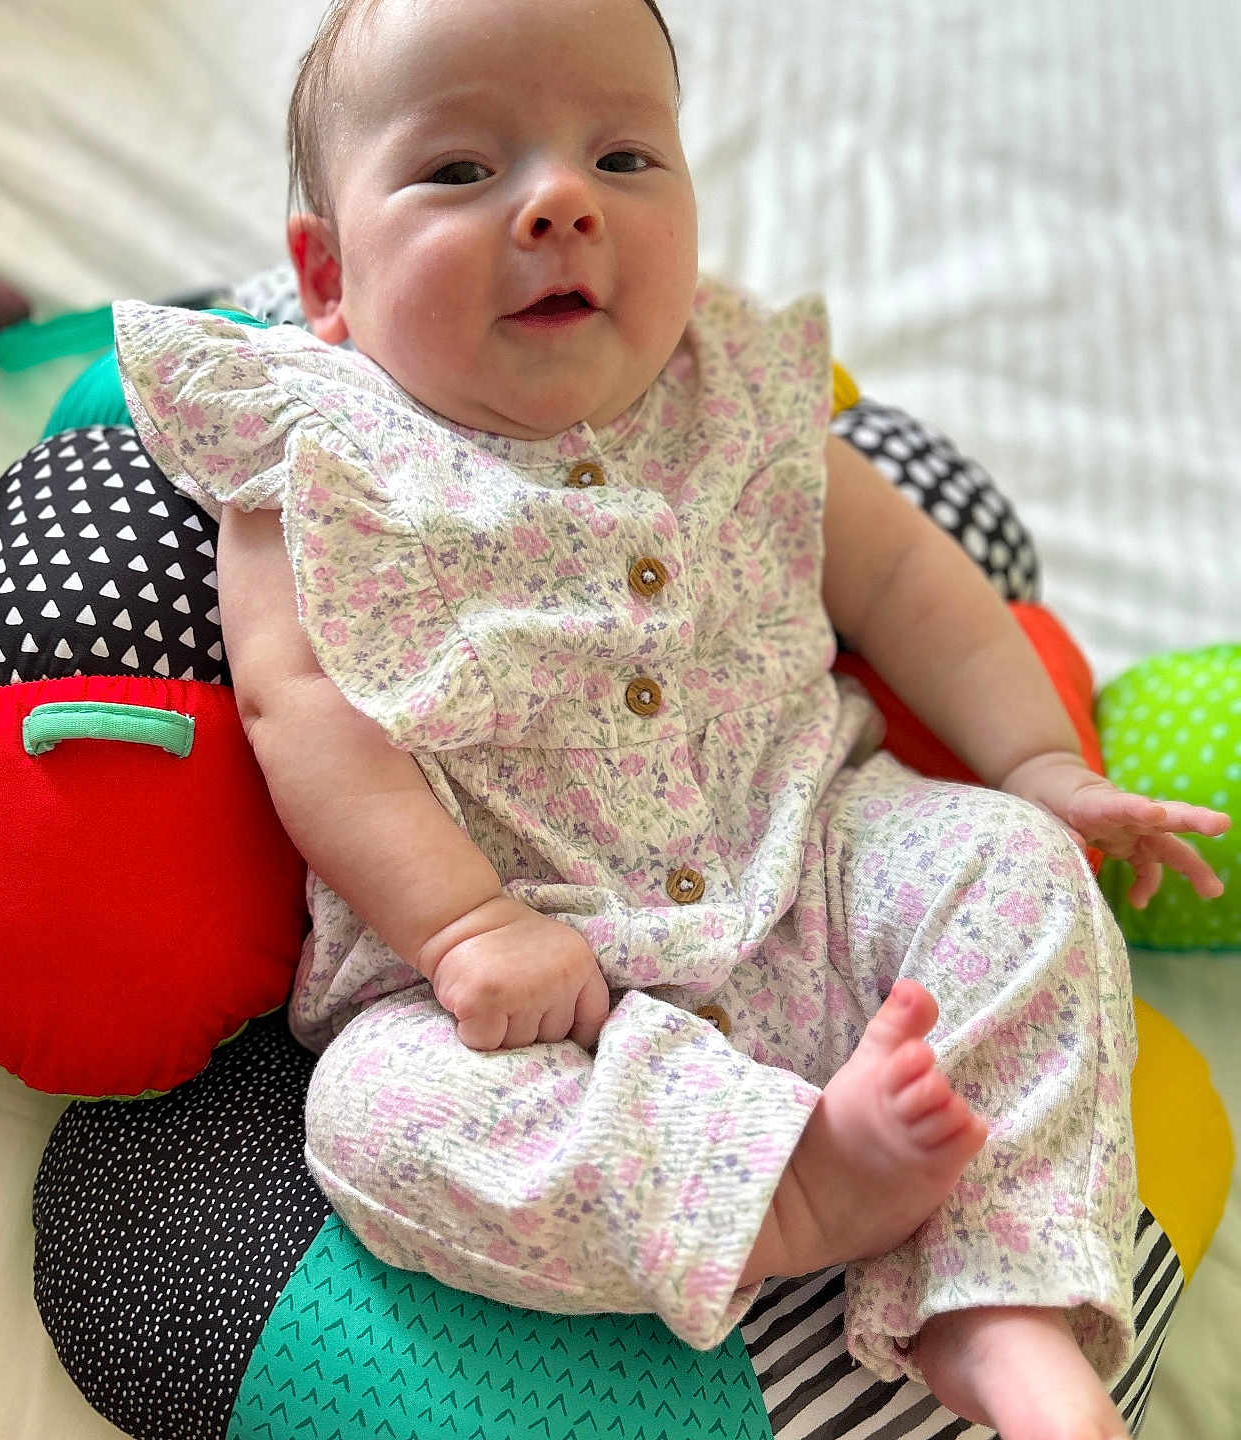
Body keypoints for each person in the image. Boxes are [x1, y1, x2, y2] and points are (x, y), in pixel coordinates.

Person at [112, 1, 1229, 1435]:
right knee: (376, 1124)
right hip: (535, 989)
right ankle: (791, 1186)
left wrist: (1039, 764)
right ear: (328, 270)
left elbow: (899, 575)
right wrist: (461, 926)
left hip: (815, 869)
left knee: (1014, 869)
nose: (562, 201)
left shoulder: (740, 388)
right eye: (461, 173)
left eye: (626, 157)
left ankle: (998, 1305)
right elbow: (300, 704)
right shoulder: (312, 441)